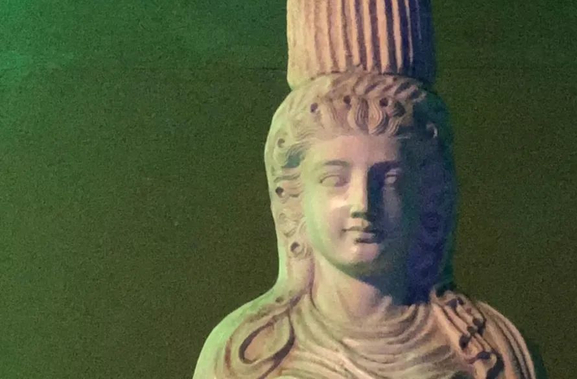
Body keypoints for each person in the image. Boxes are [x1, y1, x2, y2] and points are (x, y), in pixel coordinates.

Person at [193, 72, 536, 379]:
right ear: (293, 197)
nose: (363, 204)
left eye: (389, 179)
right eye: (334, 179)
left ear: (426, 195)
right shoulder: (244, 355)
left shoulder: (489, 349)